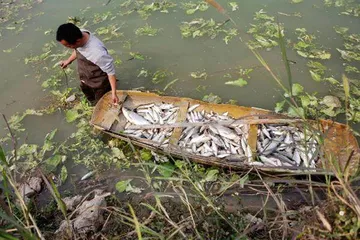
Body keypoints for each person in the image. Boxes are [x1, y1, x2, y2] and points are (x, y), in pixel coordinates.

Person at [56, 23, 119, 105]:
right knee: (89, 97)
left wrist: (114, 93)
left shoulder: (97, 53)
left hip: (99, 83)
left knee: (101, 103)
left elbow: (111, 73)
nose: (67, 47)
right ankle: (92, 103)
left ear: (77, 41)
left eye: (68, 45)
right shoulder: (80, 33)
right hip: (85, 78)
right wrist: (68, 60)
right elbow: (77, 49)